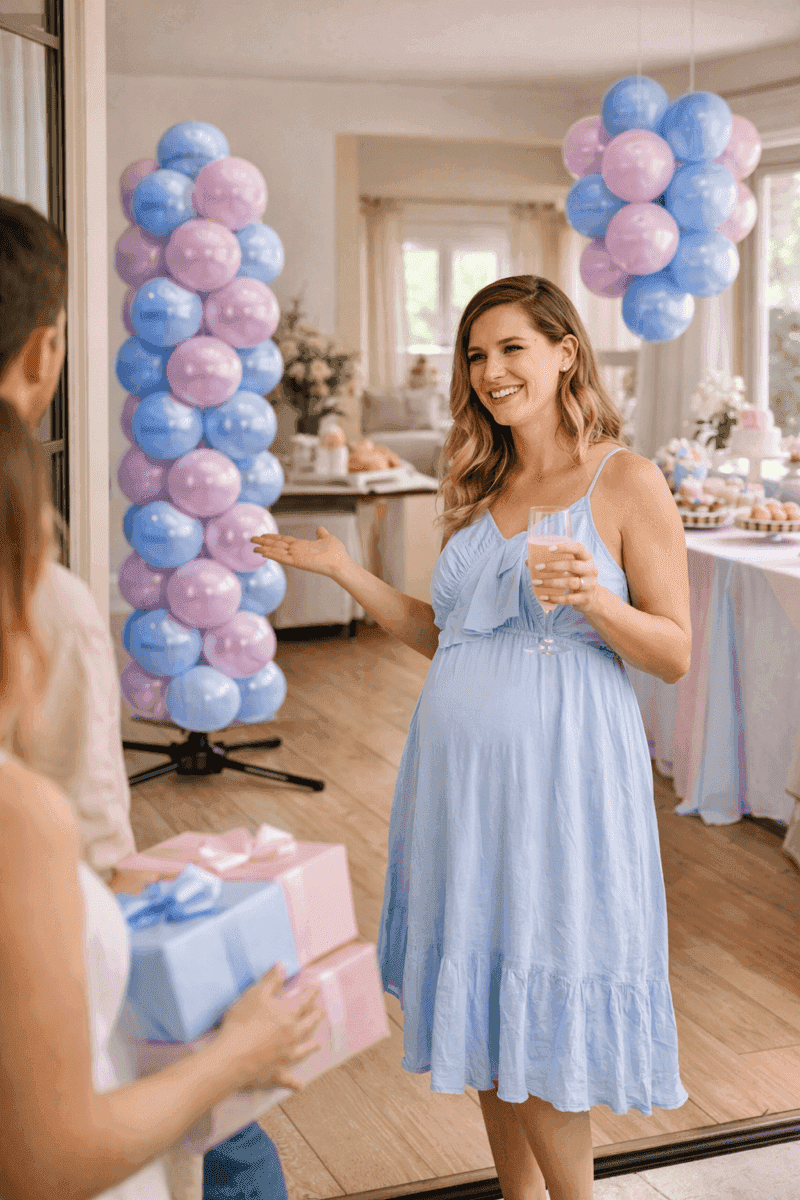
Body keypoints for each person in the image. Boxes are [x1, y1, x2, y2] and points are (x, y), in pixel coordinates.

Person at [251, 275, 692, 1200]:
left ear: (567, 349)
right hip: (455, 782)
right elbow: (445, 633)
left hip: (558, 786)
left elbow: (675, 653)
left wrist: (597, 600)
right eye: (476, 354)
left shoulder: (626, 480)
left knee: (538, 1000)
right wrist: (342, 570)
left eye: (512, 349)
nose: (491, 372)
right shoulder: (481, 477)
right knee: (492, 999)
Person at [0, 197, 324, 1200]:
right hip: (81, 1050)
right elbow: (48, 1155)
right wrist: (235, 1050)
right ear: (47, 354)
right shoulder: (24, 819)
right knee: (236, 1149)